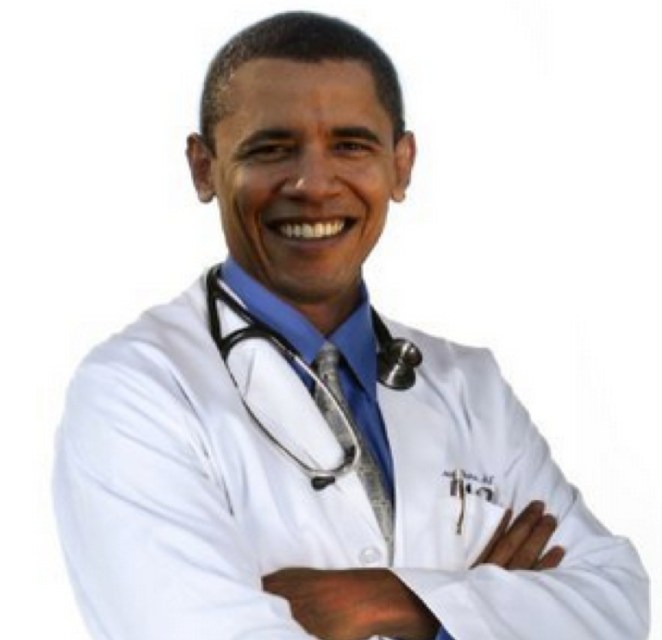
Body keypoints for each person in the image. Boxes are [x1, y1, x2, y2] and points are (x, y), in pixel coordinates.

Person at [52, 11, 649, 640]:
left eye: (350, 146)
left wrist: (387, 599)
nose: (313, 185)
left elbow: (616, 606)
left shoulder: (472, 390)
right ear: (204, 167)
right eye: (271, 148)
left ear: (401, 164)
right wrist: (487, 608)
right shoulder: (136, 391)